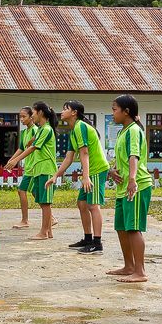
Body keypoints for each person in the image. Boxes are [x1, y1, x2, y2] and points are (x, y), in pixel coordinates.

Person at [47, 101, 108, 255]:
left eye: (65, 109)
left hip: (96, 170)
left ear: (74, 112)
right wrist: (55, 175)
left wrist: (86, 177)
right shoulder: (73, 130)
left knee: (93, 206)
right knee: (82, 204)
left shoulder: (80, 126)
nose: (62, 111)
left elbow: (85, 153)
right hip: (90, 171)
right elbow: (68, 158)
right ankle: (88, 239)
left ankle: (97, 243)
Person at [107, 95, 152, 283]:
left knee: (133, 228)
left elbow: (134, 156)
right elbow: (123, 158)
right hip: (123, 187)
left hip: (136, 185)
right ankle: (129, 266)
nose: (112, 113)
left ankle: (140, 271)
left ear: (126, 112)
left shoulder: (134, 130)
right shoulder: (122, 132)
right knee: (122, 227)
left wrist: (132, 179)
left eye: (114, 109)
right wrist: (113, 170)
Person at [6, 102, 58, 240]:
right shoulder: (41, 129)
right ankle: (48, 231)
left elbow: (34, 147)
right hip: (39, 168)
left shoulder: (46, 129)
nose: (32, 116)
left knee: (45, 202)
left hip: (45, 169)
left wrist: (16, 160)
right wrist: (14, 159)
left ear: (40, 113)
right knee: (42, 201)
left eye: (33, 113)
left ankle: (43, 232)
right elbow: (28, 145)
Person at [9, 107, 38, 229]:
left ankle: (25, 220)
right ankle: (51, 217)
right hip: (29, 166)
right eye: (20, 117)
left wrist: (16, 160)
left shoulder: (35, 130)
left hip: (34, 166)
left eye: (24, 116)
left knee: (22, 190)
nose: (21, 119)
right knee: (36, 192)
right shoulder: (25, 132)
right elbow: (21, 148)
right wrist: (11, 160)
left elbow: (34, 147)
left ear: (31, 117)